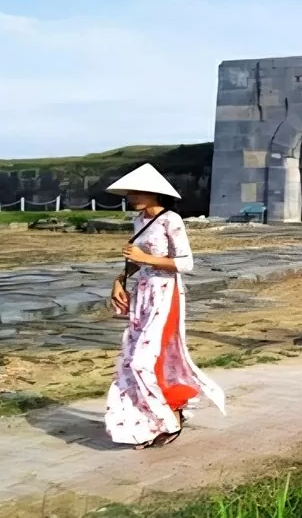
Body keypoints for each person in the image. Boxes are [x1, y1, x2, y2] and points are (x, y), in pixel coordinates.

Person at [103, 163, 225, 449]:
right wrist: (119, 280)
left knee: (144, 360)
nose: (132, 197)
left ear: (154, 193)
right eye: (130, 192)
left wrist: (144, 258)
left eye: (137, 192)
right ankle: (151, 421)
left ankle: (171, 417)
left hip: (165, 293)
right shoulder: (139, 221)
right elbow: (137, 262)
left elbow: (186, 263)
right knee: (133, 358)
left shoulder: (171, 219)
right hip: (143, 293)